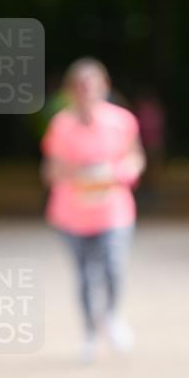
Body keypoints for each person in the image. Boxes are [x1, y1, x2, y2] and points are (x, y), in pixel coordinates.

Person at [41, 58, 146, 362]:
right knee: (85, 276)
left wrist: (120, 172)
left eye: (92, 84)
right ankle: (88, 332)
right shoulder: (60, 125)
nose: (86, 90)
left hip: (114, 210)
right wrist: (77, 173)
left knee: (114, 266)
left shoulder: (122, 121)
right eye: (79, 85)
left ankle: (112, 315)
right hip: (72, 214)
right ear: (70, 90)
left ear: (105, 87)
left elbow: (135, 158)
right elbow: (50, 170)